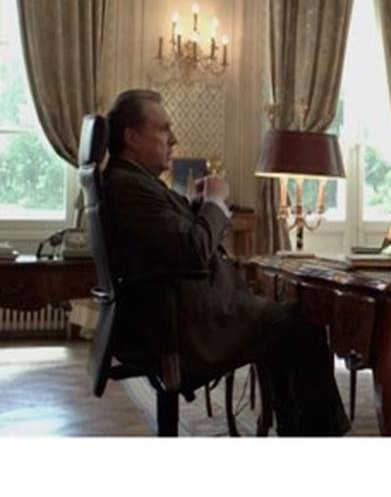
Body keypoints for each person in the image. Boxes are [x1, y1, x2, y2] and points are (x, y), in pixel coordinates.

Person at [102, 89, 350, 436]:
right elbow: (195, 249)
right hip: (183, 328)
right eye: (163, 129)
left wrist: (197, 205)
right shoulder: (128, 185)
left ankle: (295, 431)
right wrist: (215, 202)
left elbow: (174, 239)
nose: (173, 139)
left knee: (283, 325)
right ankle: (319, 437)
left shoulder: (131, 180)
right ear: (131, 137)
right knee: (301, 325)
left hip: (182, 315)